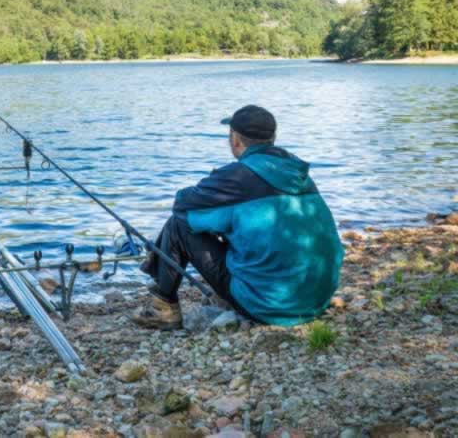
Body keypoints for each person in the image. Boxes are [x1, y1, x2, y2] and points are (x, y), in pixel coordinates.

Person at [132, 105, 344, 329]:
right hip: (316, 299)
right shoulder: (295, 171)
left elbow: (182, 204)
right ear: (272, 138)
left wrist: (215, 200)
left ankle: (164, 308)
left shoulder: (236, 176)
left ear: (235, 139)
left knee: (179, 225)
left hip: (270, 306)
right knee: (223, 224)